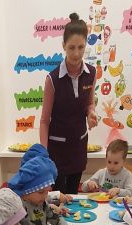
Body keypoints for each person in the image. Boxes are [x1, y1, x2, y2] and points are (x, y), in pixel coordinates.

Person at [39, 12, 97, 195]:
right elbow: (44, 121)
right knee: (57, 198)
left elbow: (89, 103)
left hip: (78, 147)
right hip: (56, 151)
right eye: (71, 47)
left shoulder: (91, 73)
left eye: (81, 47)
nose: (76, 53)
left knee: (73, 197)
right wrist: (44, 154)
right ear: (63, 45)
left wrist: (91, 113)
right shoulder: (53, 79)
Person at [8, 144, 73, 225]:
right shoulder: (18, 205)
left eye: (47, 192)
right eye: (41, 192)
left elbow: (55, 217)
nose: (45, 196)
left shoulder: (42, 203)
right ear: (27, 190)